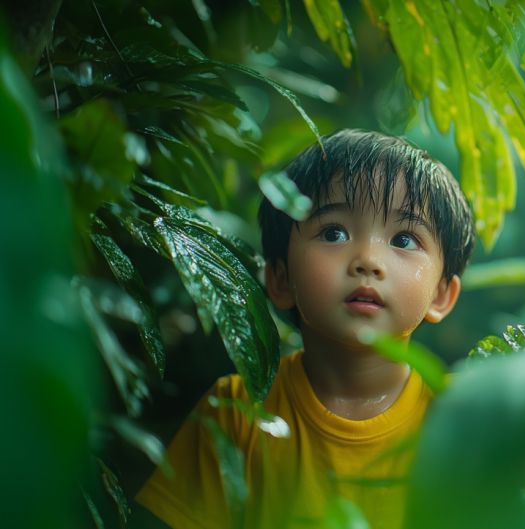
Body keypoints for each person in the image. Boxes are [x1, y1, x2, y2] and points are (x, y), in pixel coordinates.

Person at [135, 129, 475, 529]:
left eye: (403, 238)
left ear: (441, 295)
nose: (368, 259)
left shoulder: (461, 428)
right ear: (280, 278)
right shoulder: (237, 414)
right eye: (334, 233)